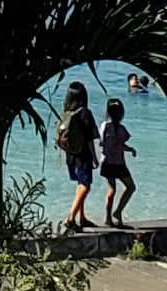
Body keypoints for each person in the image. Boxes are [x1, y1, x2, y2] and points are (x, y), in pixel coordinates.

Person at [56, 82, 97, 226]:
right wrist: (95, 158)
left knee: (80, 184)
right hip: (83, 155)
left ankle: (82, 218)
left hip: (70, 156)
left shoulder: (65, 114)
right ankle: (71, 217)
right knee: (85, 186)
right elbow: (90, 139)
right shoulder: (85, 113)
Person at [97, 100, 137, 229]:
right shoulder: (121, 129)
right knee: (130, 187)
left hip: (106, 162)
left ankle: (108, 217)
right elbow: (121, 145)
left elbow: (101, 143)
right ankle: (118, 211)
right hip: (118, 164)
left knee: (111, 189)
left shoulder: (104, 127)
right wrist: (130, 149)